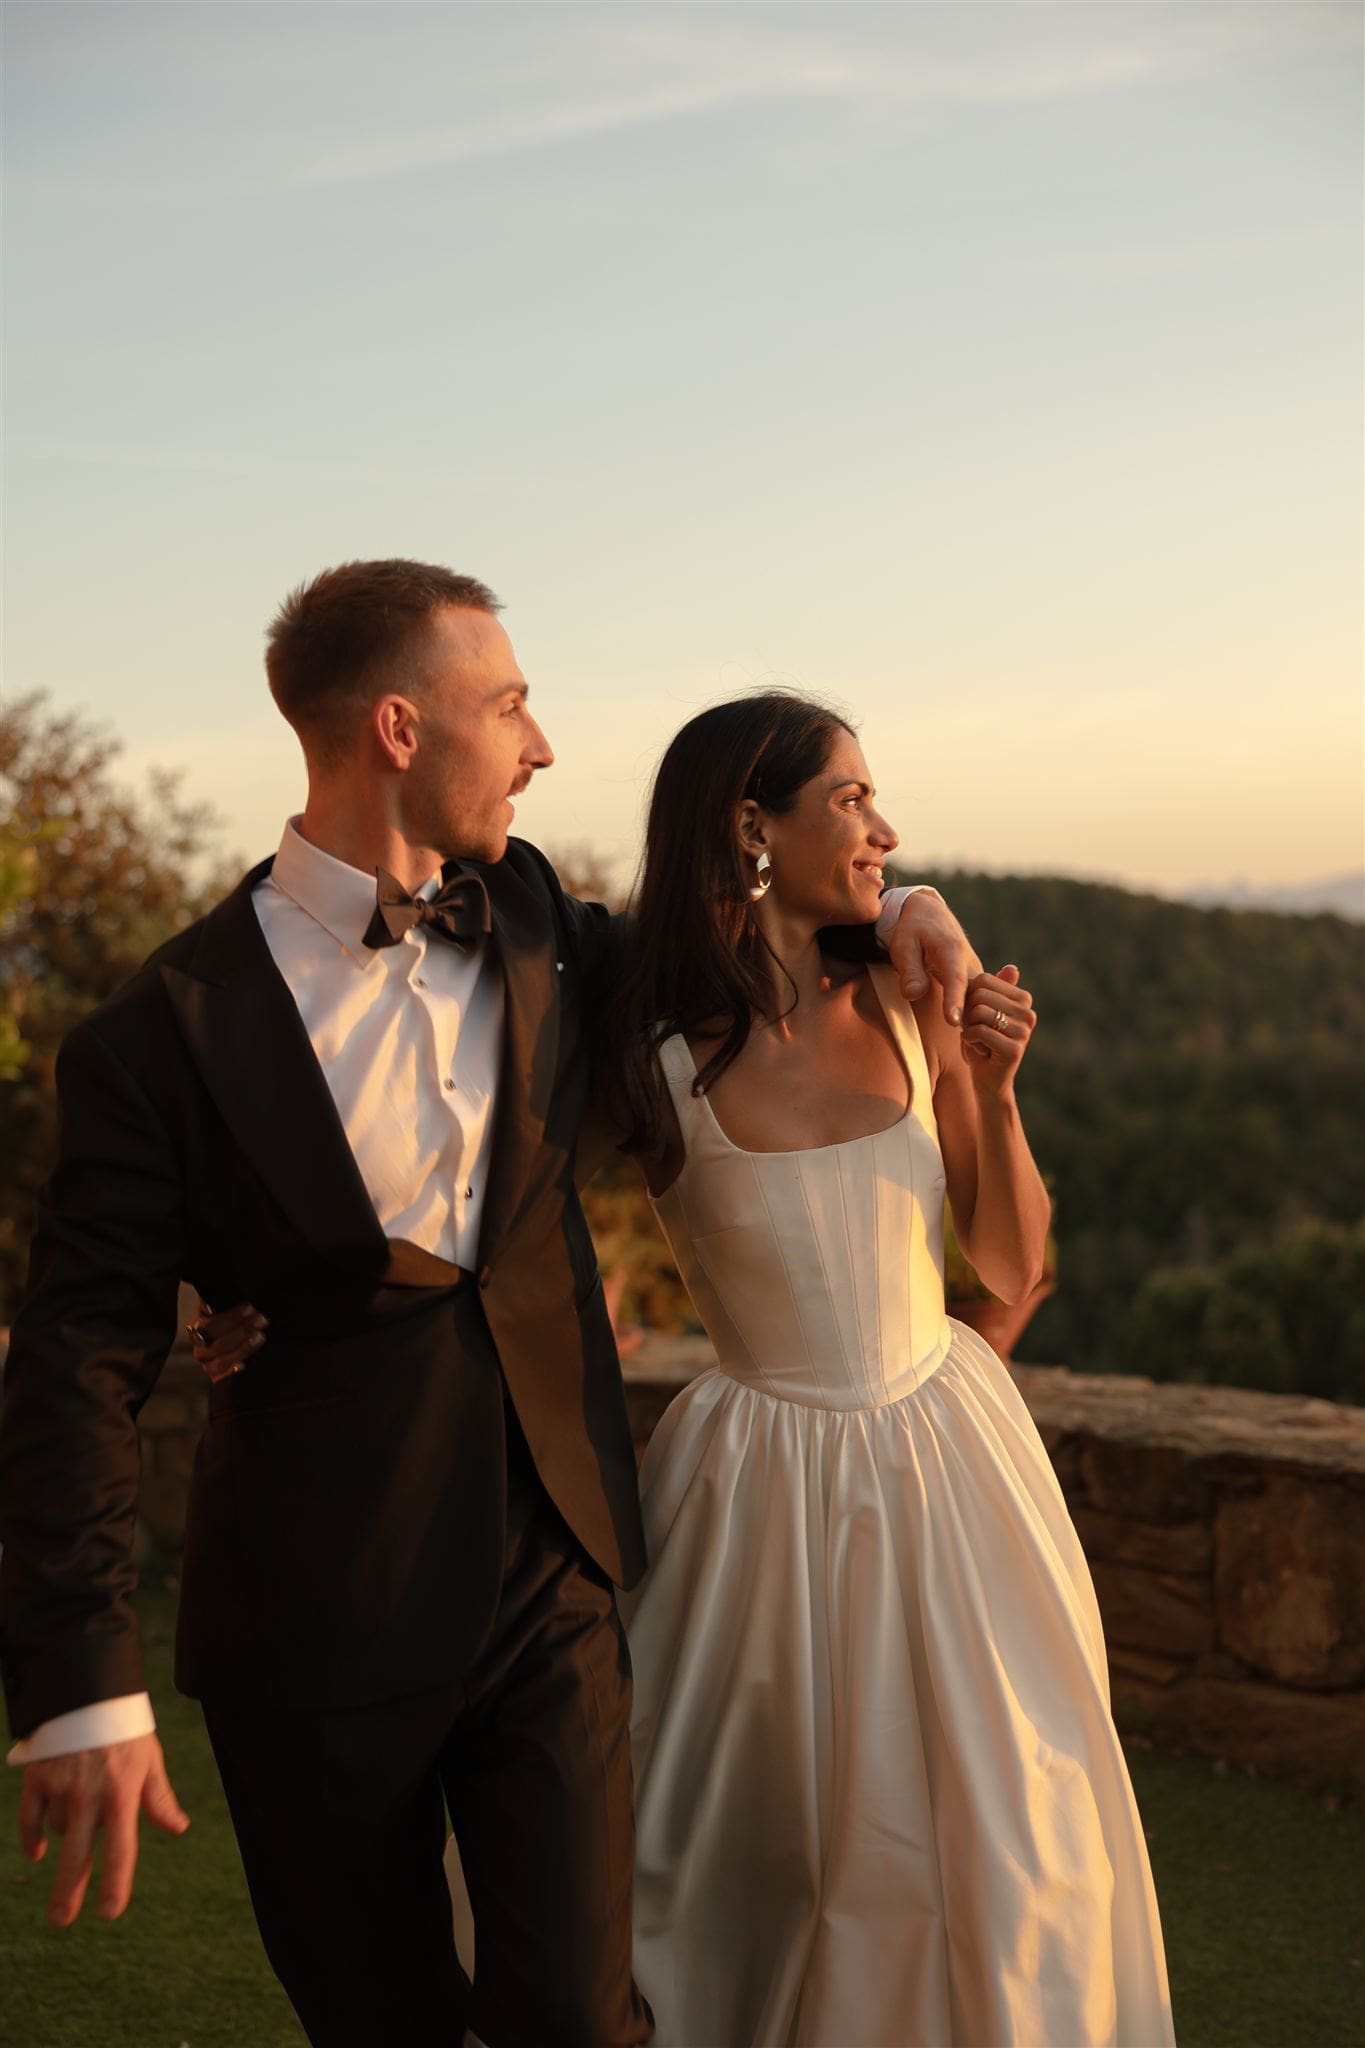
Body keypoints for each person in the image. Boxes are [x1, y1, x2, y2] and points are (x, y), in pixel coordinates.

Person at [0, 564, 975, 2048]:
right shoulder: (159, 1035)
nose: (539, 745)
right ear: (399, 726)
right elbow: (76, 1360)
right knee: (378, 2020)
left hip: (553, 1584)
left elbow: (743, 918)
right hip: (313, 1618)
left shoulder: (540, 929)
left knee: (583, 2022)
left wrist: (908, 901)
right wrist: (82, 1687)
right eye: (508, 703)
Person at [601, 695, 1175, 2046]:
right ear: (752, 826)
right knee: (754, 1860)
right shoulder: (649, 1055)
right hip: (753, 1491)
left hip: (949, 1463)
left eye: (875, 802)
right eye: (850, 799)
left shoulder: (917, 1006)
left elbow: (1007, 1264)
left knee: (1014, 1837)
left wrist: (993, 1081)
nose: (884, 828)